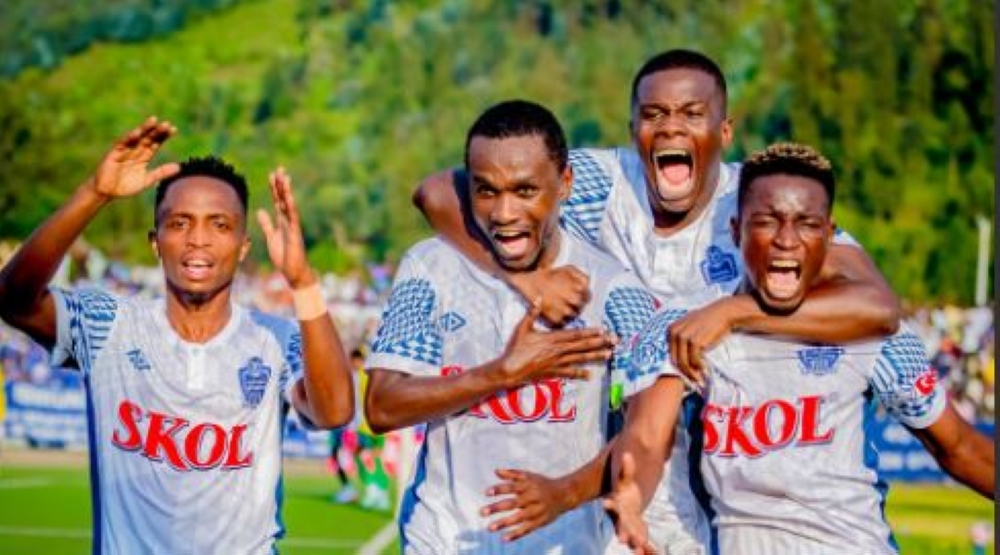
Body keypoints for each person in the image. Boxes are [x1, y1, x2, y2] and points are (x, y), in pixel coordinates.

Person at [414, 49, 900, 552]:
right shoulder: (604, 182)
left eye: (692, 113)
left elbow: (878, 307)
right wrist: (527, 280)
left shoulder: (757, 202)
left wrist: (732, 312)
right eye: (654, 114)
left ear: (724, 132)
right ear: (634, 131)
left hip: (720, 457)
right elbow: (437, 192)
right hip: (624, 442)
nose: (671, 127)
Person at [604, 142, 996, 554]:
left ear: (828, 235)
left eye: (806, 224)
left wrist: (737, 313)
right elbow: (647, 435)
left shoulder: (869, 331)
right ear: (736, 231)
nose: (786, 240)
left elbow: (959, 447)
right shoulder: (688, 326)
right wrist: (632, 493)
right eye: (766, 221)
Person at [0, 117, 355, 552]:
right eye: (180, 223)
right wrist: (95, 193)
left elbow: (335, 412)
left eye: (219, 225)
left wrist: (304, 284)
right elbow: (13, 300)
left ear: (243, 246)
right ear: (155, 241)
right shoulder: (109, 324)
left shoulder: (276, 339)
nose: (198, 240)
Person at [365, 100, 656, 553]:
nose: (503, 213)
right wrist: (502, 373)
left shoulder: (613, 290)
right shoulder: (430, 267)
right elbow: (382, 407)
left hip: (564, 544)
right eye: (486, 191)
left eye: (524, 191)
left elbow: (650, 431)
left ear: (564, 184)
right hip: (443, 540)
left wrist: (564, 494)